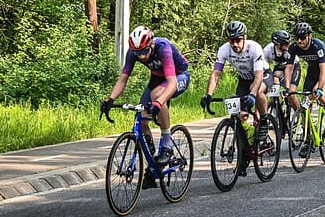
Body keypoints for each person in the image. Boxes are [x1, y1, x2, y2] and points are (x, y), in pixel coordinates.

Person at [100, 25, 190, 187]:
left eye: (144, 52)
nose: (141, 57)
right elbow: (123, 79)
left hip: (177, 76)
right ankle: (153, 165)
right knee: (141, 120)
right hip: (157, 79)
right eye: (138, 53)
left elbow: (171, 83)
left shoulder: (163, 48)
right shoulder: (134, 52)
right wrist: (110, 99)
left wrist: (158, 102)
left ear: (151, 45)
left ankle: (167, 145)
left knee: (157, 96)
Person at [200, 21, 270, 146]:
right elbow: (216, 74)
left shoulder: (254, 48)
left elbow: (258, 76)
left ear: (245, 38)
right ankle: (246, 146)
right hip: (244, 80)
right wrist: (208, 94)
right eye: (231, 41)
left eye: (238, 40)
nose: (235, 44)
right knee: (240, 115)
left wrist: (252, 95)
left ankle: (264, 120)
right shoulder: (224, 49)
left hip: (263, 75)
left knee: (258, 91)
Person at [284, 22, 325, 135]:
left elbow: (324, 69)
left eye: (302, 38)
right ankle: (307, 134)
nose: (299, 41)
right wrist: (288, 87)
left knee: (317, 93)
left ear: (309, 36)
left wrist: (320, 88)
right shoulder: (294, 47)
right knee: (306, 101)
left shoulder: (318, 45)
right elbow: (288, 68)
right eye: (297, 38)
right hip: (312, 72)